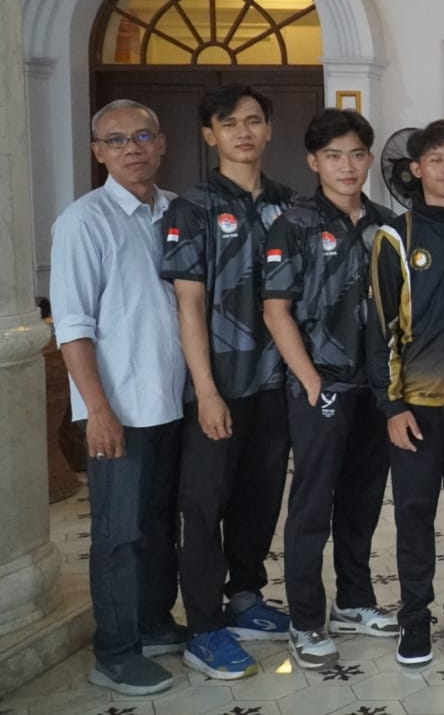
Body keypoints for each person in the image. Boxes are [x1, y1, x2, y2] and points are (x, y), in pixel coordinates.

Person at [51, 100, 187, 695]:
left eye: (141, 135)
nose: (131, 147)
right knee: (118, 531)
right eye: (115, 140)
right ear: (97, 152)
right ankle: (115, 651)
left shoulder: (177, 210)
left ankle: (153, 623)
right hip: (120, 408)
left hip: (173, 400)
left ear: (161, 143)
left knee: (158, 524)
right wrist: (98, 411)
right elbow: (72, 326)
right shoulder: (84, 221)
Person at [161, 85, 296, 680]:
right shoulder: (191, 209)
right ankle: (205, 627)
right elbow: (188, 305)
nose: (244, 131)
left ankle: (245, 597)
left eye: (254, 120)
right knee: (203, 504)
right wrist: (207, 391)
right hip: (216, 385)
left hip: (274, 385)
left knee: (259, 496)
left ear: (268, 130)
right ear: (209, 135)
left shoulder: (290, 206)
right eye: (230, 122)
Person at [263, 108, 398, 669]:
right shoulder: (293, 224)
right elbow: (276, 311)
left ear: (370, 159)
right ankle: (304, 619)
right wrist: (313, 381)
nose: (347, 166)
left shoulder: (386, 224)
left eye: (357, 154)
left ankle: (355, 601)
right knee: (313, 505)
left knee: (362, 499)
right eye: (334, 156)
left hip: (376, 388)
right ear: (314, 161)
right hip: (321, 388)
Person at [367, 120, 444, 666]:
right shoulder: (394, 237)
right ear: (416, 169)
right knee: (415, 515)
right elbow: (380, 329)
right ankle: (414, 618)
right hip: (414, 405)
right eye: (437, 159)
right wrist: (391, 406)